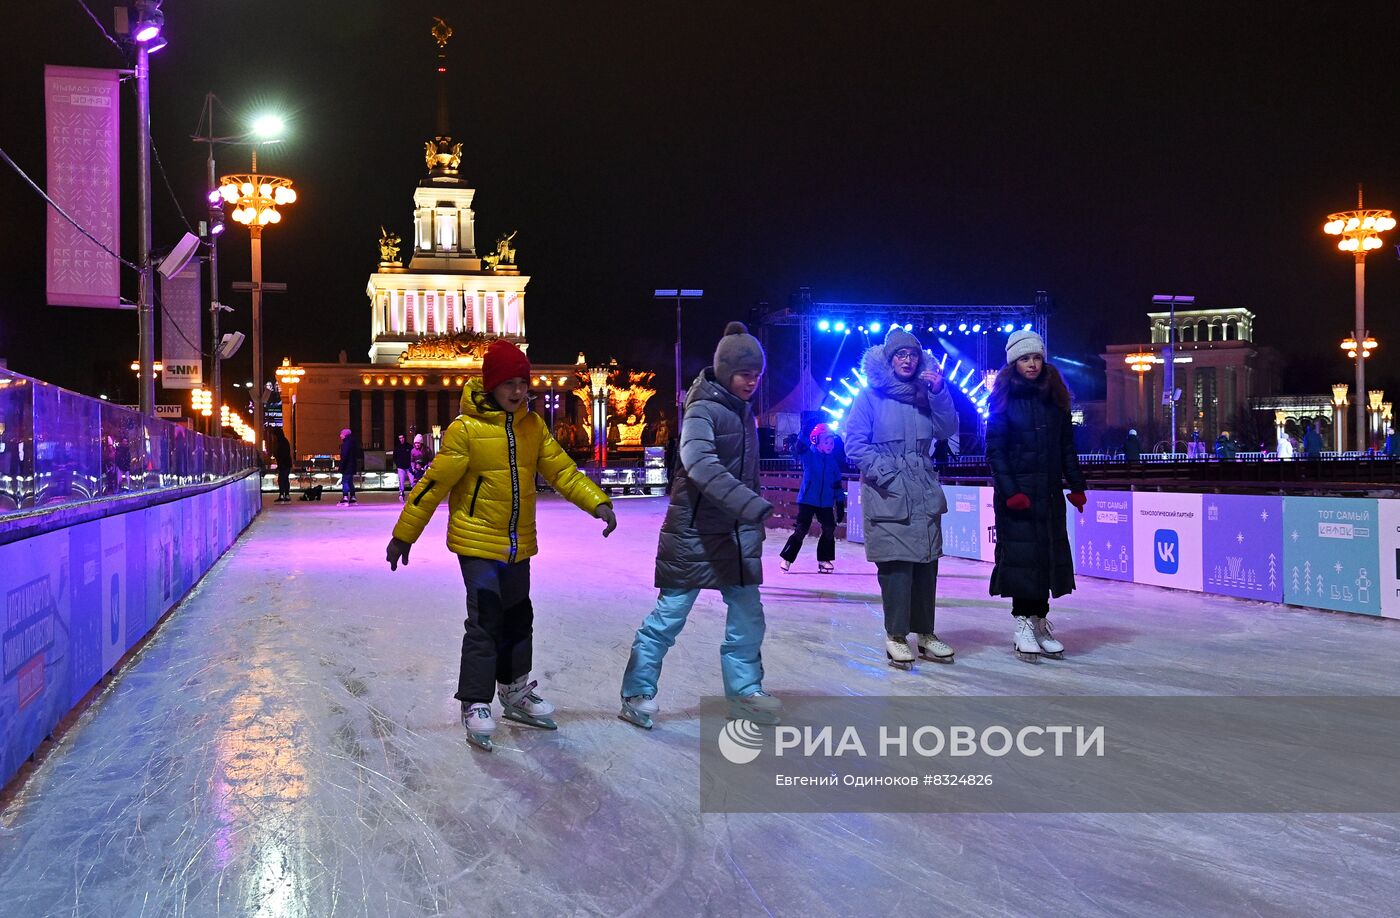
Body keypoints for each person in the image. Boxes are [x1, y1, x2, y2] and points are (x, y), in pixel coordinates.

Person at [386, 338, 616, 751]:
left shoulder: (533, 427)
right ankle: (475, 701)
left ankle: (513, 690)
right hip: (476, 541)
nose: (516, 391)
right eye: (507, 383)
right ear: (490, 385)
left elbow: (563, 471)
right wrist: (405, 533)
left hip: (518, 544)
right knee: (486, 617)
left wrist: (597, 501)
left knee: (518, 617)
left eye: (522, 383)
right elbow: (433, 485)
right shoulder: (465, 430)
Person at [620, 321, 778, 729]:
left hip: (735, 536)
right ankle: (637, 692)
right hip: (693, 534)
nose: (752, 382)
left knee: (748, 617)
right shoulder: (702, 409)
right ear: (726, 371)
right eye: (745, 374)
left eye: (757, 375)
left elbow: (747, 474)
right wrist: (750, 505)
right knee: (669, 616)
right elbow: (700, 463)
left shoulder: (744, 415)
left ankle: (745, 692)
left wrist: (749, 523)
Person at [843, 326, 959, 669]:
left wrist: (939, 392)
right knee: (896, 567)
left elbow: (947, 430)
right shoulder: (869, 396)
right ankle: (896, 636)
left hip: (922, 489)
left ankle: (925, 633)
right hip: (889, 491)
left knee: (926, 565)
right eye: (900, 355)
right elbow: (854, 444)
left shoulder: (926, 395)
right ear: (889, 360)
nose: (907, 360)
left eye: (912, 355)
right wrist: (887, 474)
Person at [986, 330, 1087, 662]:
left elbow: (1067, 447)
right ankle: (1022, 626)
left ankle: (1038, 621)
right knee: (1023, 561)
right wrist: (1011, 492)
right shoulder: (1002, 400)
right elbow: (996, 453)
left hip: (1048, 495)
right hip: (1017, 499)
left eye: (1037, 357)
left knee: (1045, 558)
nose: (1032, 364)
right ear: (1014, 363)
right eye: (1025, 358)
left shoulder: (1055, 399)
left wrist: (1077, 485)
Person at [779, 423, 843, 573]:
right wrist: (804, 430)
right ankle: (787, 558)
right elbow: (800, 446)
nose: (830, 445)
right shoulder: (809, 455)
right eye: (826, 442)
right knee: (801, 529)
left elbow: (837, 484)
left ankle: (824, 559)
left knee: (829, 528)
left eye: (831, 442)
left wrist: (840, 502)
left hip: (826, 502)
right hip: (808, 499)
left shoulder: (833, 462)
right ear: (817, 441)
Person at [338, 428, 359, 505]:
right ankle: (353, 497)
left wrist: (341, 466)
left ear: (345, 435)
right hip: (352, 465)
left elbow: (344, 456)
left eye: (341, 434)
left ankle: (345, 497)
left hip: (347, 466)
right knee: (350, 482)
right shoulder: (353, 443)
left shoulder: (346, 444)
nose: (340, 435)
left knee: (345, 482)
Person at [272, 428, 293, 502]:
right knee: (284, 479)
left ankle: (283, 494)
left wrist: (280, 464)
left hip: (284, 464)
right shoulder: (284, 441)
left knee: (281, 480)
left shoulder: (281, 442)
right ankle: (286, 495)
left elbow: (282, 454)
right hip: (286, 464)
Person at [392, 434, 413, 501]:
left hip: (409, 467)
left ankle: (414, 493)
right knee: (401, 481)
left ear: (404, 438)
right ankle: (402, 493)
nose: (402, 439)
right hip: (400, 467)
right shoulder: (397, 447)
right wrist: (397, 465)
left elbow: (412, 455)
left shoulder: (409, 446)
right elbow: (394, 457)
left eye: (402, 438)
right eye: (400, 438)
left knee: (413, 481)